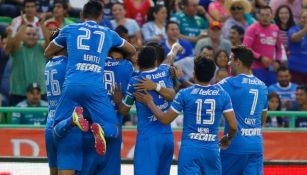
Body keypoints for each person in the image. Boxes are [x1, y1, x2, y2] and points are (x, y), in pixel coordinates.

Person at [44, 0, 136, 155]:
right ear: (100, 16)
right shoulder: (108, 33)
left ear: (81, 15)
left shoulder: (69, 29)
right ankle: (98, 129)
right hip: (95, 87)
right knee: (113, 130)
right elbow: (132, 50)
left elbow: (47, 52)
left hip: (72, 83)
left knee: (56, 129)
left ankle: (71, 120)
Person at [134, 57, 237, 175]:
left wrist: (150, 102)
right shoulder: (223, 94)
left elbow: (165, 119)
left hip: (190, 151)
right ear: (213, 74)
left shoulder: (185, 94)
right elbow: (233, 126)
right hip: (211, 151)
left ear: (194, 74)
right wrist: (228, 138)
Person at [114, 46, 178, 175]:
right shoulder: (165, 70)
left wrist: (118, 100)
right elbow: (170, 57)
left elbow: (124, 111)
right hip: (168, 138)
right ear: (155, 61)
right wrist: (176, 48)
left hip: (148, 138)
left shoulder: (136, 81)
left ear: (138, 62)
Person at [81, 47, 134, 175]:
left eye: (118, 59)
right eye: (112, 59)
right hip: (112, 125)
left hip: (90, 123)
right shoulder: (126, 68)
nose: (115, 62)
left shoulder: (91, 68)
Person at [218, 45, 268, 175]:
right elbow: (263, 119)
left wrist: (180, 79)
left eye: (230, 59)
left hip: (234, 145)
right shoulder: (262, 86)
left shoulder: (229, 83)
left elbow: (205, 92)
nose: (228, 63)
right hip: (256, 145)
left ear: (237, 62)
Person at [5, 20, 50, 106]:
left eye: (34, 34)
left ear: (37, 36)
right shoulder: (17, 48)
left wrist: (41, 24)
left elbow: (49, 41)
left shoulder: (42, 48)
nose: (31, 36)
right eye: (28, 34)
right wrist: (24, 25)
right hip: (18, 93)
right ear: (23, 36)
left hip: (40, 93)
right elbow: (13, 44)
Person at [243, 5, 282, 86]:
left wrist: (278, 61)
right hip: (255, 67)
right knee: (260, 91)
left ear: (272, 16)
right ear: (258, 16)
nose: (265, 18)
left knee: (271, 92)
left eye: (267, 15)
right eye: (262, 15)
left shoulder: (276, 29)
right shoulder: (252, 28)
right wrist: (260, 58)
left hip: (271, 67)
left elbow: (279, 49)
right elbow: (245, 48)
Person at [287, 11, 307, 85]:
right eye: (304, 18)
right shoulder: (293, 29)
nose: (305, 20)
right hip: (296, 68)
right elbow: (294, 38)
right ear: (299, 19)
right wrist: (305, 29)